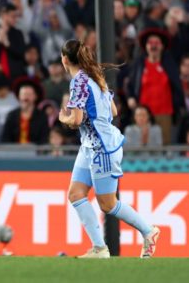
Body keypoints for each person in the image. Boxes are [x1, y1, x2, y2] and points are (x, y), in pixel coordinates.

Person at [59, 39, 159, 258]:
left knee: (108, 204)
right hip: (90, 145)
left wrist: (64, 117)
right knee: (75, 194)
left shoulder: (78, 82)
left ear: (64, 59)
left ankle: (149, 231)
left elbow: (75, 121)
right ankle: (100, 248)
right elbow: (112, 111)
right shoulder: (95, 76)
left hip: (101, 147)